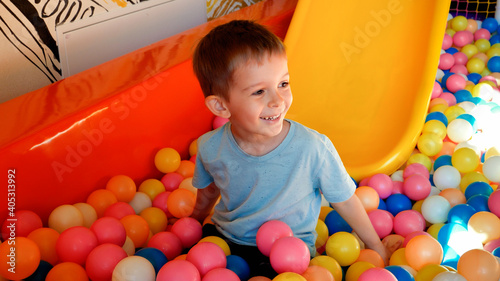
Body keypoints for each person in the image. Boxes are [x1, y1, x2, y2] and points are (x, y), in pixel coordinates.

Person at [190, 20, 396, 278]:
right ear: (221, 107)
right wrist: (194, 220)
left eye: (283, 84)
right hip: (225, 239)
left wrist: (375, 245)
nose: (277, 100)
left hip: (287, 251)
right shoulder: (210, 147)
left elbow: (344, 199)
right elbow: (208, 191)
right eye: (259, 92)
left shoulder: (312, 148)